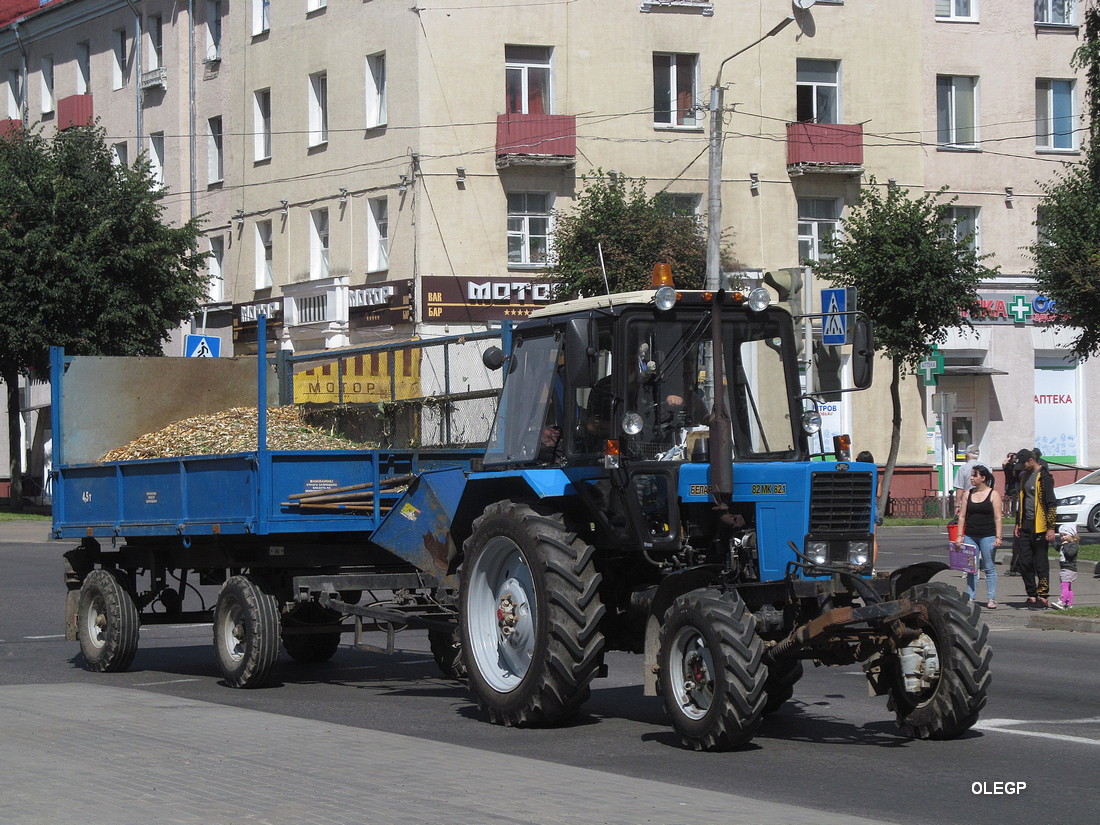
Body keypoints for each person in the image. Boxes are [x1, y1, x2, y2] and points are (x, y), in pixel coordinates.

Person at [1013, 448, 1057, 608]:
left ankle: (1043, 596)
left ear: (1032, 460)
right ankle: (1031, 594)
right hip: (1026, 524)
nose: (1022, 467)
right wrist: (1018, 522)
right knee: (1024, 562)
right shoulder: (1025, 476)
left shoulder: (1044, 477)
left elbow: (1051, 503)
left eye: (1024, 463)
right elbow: (1021, 502)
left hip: (1041, 526)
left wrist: (1051, 527)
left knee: (1040, 563)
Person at [954, 464, 1002, 609]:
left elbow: (998, 518)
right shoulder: (968, 493)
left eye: (974, 475)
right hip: (970, 536)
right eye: (971, 475)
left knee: (989, 567)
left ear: (983, 478)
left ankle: (991, 598)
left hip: (988, 536)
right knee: (971, 568)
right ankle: (971, 596)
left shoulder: (993, 494)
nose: (971, 478)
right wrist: (959, 535)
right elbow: (962, 516)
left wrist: (998, 537)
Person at [1051, 523, 1079, 610]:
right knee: (1068, 587)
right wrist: (1052, 541)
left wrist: (1065, 545)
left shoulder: (1073, 545)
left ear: (1072, 535)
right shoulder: (1064, 545)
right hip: (1064, 568)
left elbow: (1070, 554)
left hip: (1069, 569)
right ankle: (1069, 603)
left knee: (1064, 586)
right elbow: (1057, 547)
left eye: (1065, 535)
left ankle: (1062, 602)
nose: (1063, 537)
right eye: (1061, 535)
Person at [953, 444, 981, 514]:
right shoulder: (986, 468)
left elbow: (960, 488)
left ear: (967, 455)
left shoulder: (963, 468)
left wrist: (957, 505)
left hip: (969, 501)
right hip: (984, 500)